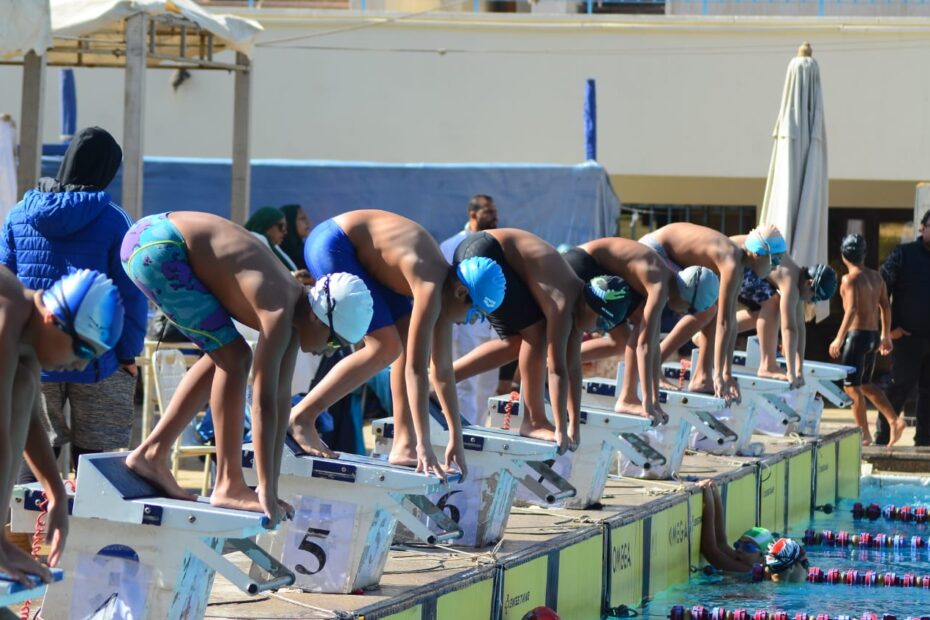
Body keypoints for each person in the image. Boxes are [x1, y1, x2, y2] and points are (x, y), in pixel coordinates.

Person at [121, 211, 374, 526]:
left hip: (157, 237)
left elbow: (281, 402)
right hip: (156, 245)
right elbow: (263, 402)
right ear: (319, 317)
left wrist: (272, 486)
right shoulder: (280, 311)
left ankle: (152, 454)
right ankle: (227, 482)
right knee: (234, 357)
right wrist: (264, 489)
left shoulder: (296, 316)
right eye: (334, 342)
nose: (328, 350)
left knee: (225, 354)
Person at [290, 209, 506, 479]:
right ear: (461, 292)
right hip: (334, 243)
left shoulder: (445, 291)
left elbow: (442, 372)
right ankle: (302, 416)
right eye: (475, 314)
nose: (470, 322)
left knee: (400, 341)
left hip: (362, 253)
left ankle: (404, 443)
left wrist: (456, 439)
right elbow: (416, 371)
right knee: (386, 347)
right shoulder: (430, 288)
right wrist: (426, 446)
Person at [0, 126, 147, 474]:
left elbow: (5, 275)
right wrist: (128, 352)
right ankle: (82, 527)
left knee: (25, 450)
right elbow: (130, 295)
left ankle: (19, 523)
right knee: (98, 467)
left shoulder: (19, 214)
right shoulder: (115, 220)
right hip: (98, 358)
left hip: (32, 352)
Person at [452, 229, 634, 453]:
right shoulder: (563, 304)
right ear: (590, 307)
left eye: (607, 327)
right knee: (536, 335)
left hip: (487, 250)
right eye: (602, 323)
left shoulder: (580, 304)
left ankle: (446, 378)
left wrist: (573, 425)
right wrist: (559, 427)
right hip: (483, 252)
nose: (600, 330)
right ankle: (533, 420)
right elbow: (556, 369)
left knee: (516, 344)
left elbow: (573, 368)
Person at [0, 269, 124, 585]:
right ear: (53, 318)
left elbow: (27, 420)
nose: (81, 366)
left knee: (24, 385)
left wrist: (55, 492)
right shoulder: (8, 312)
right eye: (83, 350)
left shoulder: (25, 334)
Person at [562, 237, 720, 424]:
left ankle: (626, 397)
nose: (684, 313)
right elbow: (644, 347)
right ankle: (625, 396)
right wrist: (650, 402)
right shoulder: (659, 287)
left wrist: (654, 397)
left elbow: (651, 343)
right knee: (628, 333)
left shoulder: (666, 281)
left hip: (599, 266)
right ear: (685, 296)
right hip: (585, 264)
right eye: (688, 308)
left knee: (621, 341)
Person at [640, 223, 786, 404]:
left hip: (666, 252)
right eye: (775, 260)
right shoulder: (731, 262)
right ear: (757, 254)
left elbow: (730, 322)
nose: (776, 267)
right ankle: (655, 363)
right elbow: (725, 323)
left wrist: (726, 373)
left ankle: (702, 376)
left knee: (711, 307)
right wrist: (722, 375)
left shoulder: (739, 264)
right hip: (655, 251)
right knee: (708, 309)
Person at [830, 234, 904, 446]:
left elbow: (852, 309)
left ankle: (864, 434)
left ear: (844, 255)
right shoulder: (876, 277)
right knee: (865, 384)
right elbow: (885, 306)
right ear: (864, 255)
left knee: (851, 387)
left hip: (856, 337)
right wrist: (885, 334)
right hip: (872, 336)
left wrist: (838, 338)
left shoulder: (849, 279)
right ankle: (894, 420)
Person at [439, 194, 505, 424]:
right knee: (465, 384)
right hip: (463, 323)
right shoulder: (451, 246)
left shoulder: (495, 243)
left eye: (495, 211)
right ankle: (466, 442)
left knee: (488, 384)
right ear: (473, 214)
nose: (495, 216)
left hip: (491, 323)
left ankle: (479, 440)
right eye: (489, 211)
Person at [734, 256, 838, 387]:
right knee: (773, 304)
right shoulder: (791, 285)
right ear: (809, 283)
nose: (811, 302)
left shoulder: (798, 282)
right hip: (737, 265)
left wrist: (799, 369)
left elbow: (800, 328)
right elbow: (788, 328)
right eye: (814, 298)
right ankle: (767, 365)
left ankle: (715, 333)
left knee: (763, 314)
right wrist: (791, 372)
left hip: (743, 267)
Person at [877, 210, 930, 446]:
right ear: (922, 227)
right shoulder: (903, 254)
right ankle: (882, 438)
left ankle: (925, 442)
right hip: (906, 337)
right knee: (898, 387)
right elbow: (879, 291)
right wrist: (888, 330)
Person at [698, 479, 772, 573]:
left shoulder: (748, 570)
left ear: (763, 557)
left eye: (748, 547)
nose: (739, 550)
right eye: (737, 545)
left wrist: (707, 500)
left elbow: (709, 550)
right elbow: (721, 543)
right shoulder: (745, 560)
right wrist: (715, 496)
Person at [245, 206, 312, 284]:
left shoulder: (275, 248)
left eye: (286, 227)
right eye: (281, 226)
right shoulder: (252, 247)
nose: (285, 232)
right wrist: (293, 278)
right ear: (267, 225)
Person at [279, 204, 312, 272]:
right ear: (290, 221)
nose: (308, 223)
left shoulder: (306, 250)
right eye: (302, 219)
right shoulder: (280, 252)